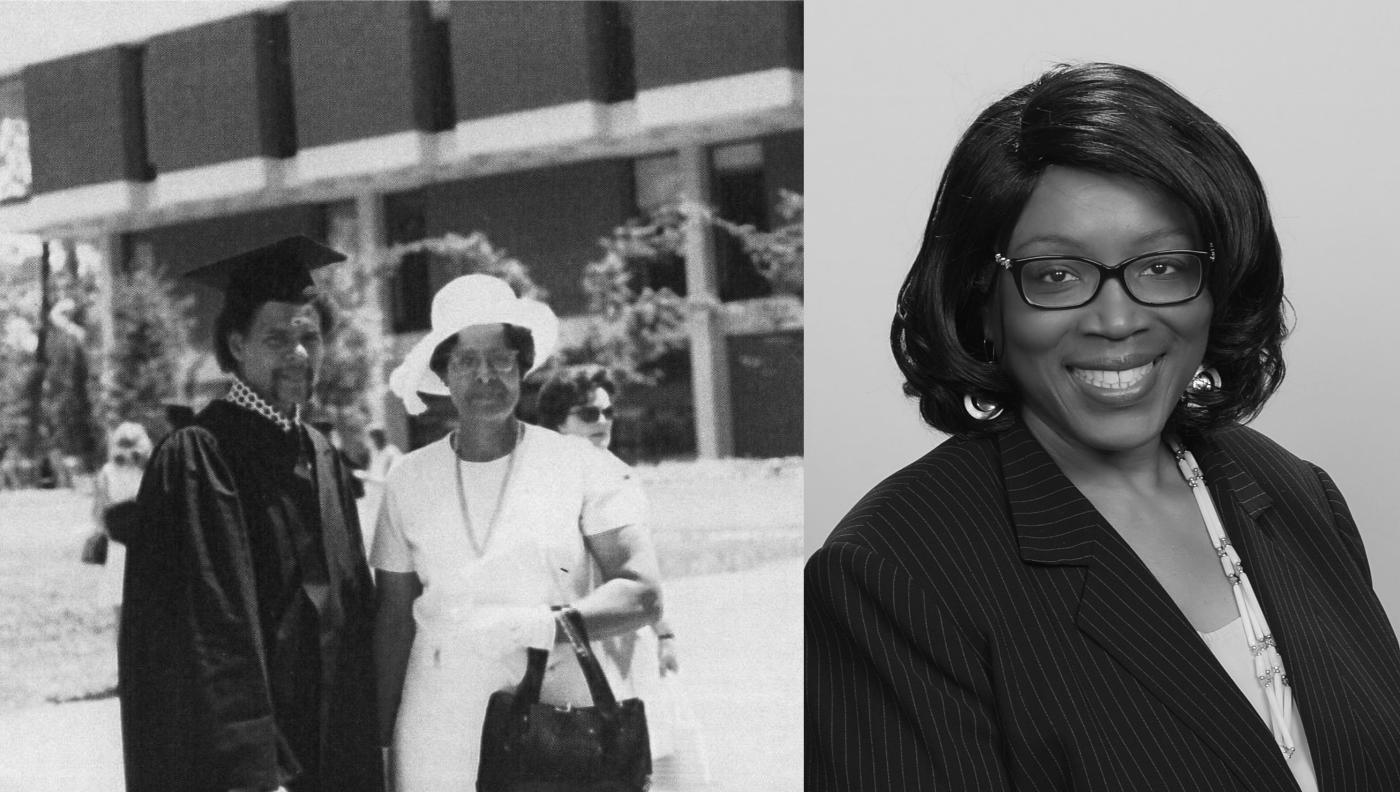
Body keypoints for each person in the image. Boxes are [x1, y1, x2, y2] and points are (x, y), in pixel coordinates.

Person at [805, 63, 1400, 791]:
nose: (1117, 320)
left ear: (1217, 283)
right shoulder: (893, 575)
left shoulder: (1297, 495)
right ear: (982, 300)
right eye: (1056, 274)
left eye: (1162, 265)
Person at [373, 274, 662, 790]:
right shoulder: (407, 480)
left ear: (523, 367)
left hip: (554, 718)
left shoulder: (577, 463)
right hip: (438, 721)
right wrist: (377, 740)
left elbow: (641, 592)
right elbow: (393, 619)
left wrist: (538, 626)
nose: (486, 376)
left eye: (502, 359)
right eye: (466, 361)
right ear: (443, 373)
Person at [118, 236, 381, 792]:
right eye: (277, 337)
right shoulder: (198, 458)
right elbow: (208, 635)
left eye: (310, 336)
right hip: (251, 768)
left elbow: (349, 609)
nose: (299, 353)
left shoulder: (322, 453)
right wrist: (251, 771)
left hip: (330, 750)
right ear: (236, 345)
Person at [88, 421, 151, 631]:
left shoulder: (107, 472)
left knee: (121, 617)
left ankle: (124, 661)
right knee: (147, 610)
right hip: (145, 545)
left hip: (118, 546)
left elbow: (97, 514)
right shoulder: (150, 471)